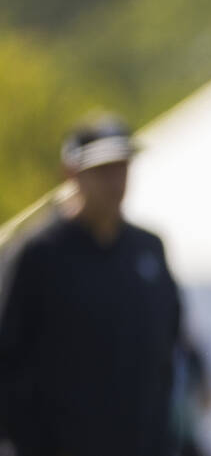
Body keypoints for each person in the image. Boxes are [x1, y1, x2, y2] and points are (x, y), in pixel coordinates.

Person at [0, 113, 181, 456]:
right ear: (71, 173)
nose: (115, 181)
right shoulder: (37, 253)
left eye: (122, 167)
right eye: (102, 170)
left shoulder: (148, 249)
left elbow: (168, 347)